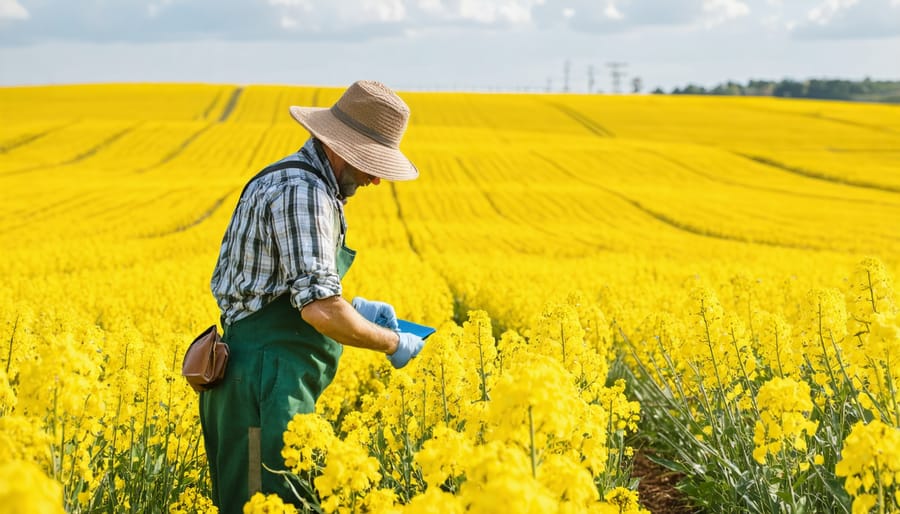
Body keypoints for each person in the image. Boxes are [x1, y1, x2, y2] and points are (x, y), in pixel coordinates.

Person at [200, 80, 426, 513]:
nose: (376, 178)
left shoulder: (296, 179)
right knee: (260, 503)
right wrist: (392, 343)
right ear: (339, 146)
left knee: (276, 499)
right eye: (369, 163)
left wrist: (354, 309)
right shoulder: (305, 193)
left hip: (269, 376)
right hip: (262, 382)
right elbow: (320, 310)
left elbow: (293, 289)